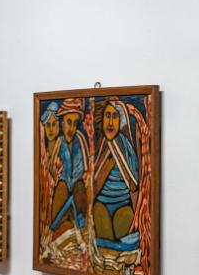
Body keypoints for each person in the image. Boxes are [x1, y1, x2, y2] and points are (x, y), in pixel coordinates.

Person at [93, 99, 140, 250]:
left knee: (125, 225)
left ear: (120, 122)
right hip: (101, 205)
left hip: (122, 205)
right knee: (104, 237)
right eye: (108, 116)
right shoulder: (99, 147)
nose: (111, 122)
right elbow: (93, 185)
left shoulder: (126, 148)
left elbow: (134, 186)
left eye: (115, 116)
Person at [49, 98, 89, 232]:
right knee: (61, 188)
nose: (71, 128)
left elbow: (86, 167)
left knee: (80, 187)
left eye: (75, 124)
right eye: (69, 122)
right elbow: (52, 169)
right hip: (63, 186)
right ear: (62, 124)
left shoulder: (81, 141)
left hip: (77, 187)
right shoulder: (58, 144)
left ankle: (78, 221)